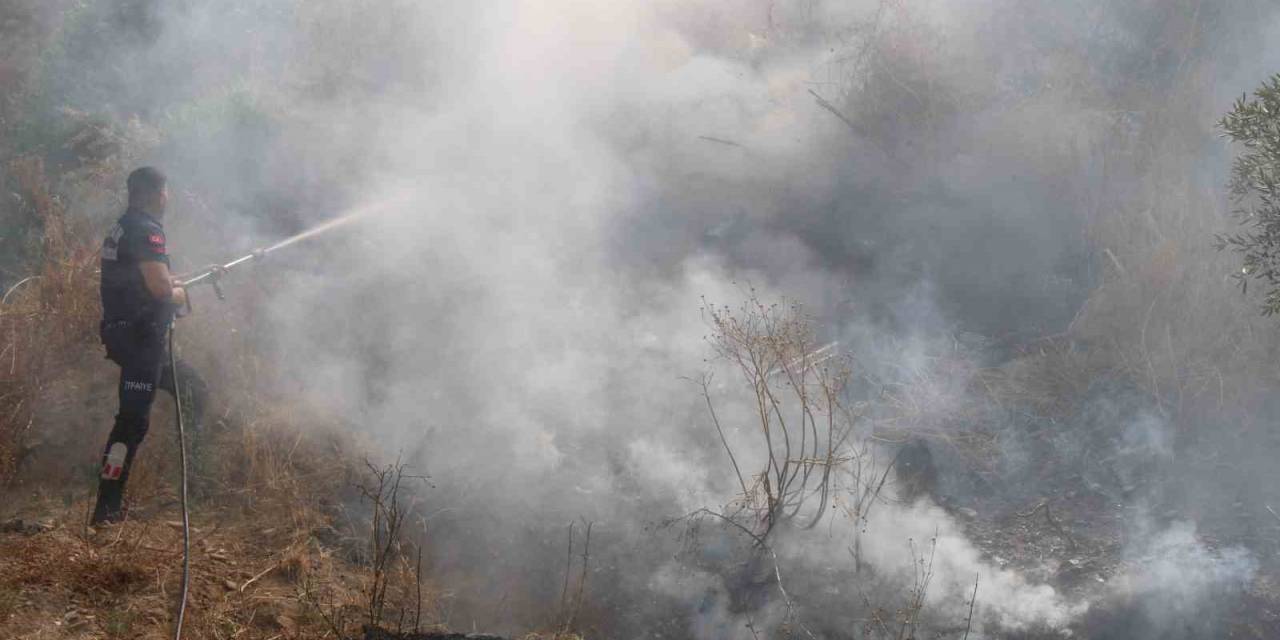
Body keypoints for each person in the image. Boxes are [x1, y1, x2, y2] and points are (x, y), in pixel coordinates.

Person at [92, 167, 208, 526]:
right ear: (157, 194)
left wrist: (181, 279)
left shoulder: (125, 225)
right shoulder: (147, 230)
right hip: (140, 340)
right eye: (166, 192)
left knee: (193, 391)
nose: (167, 199)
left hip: (135, 336)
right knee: (131, 424)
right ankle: (106, 512)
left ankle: (191, 483)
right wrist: (181, 292)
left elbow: (144, 278)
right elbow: (159, 289)